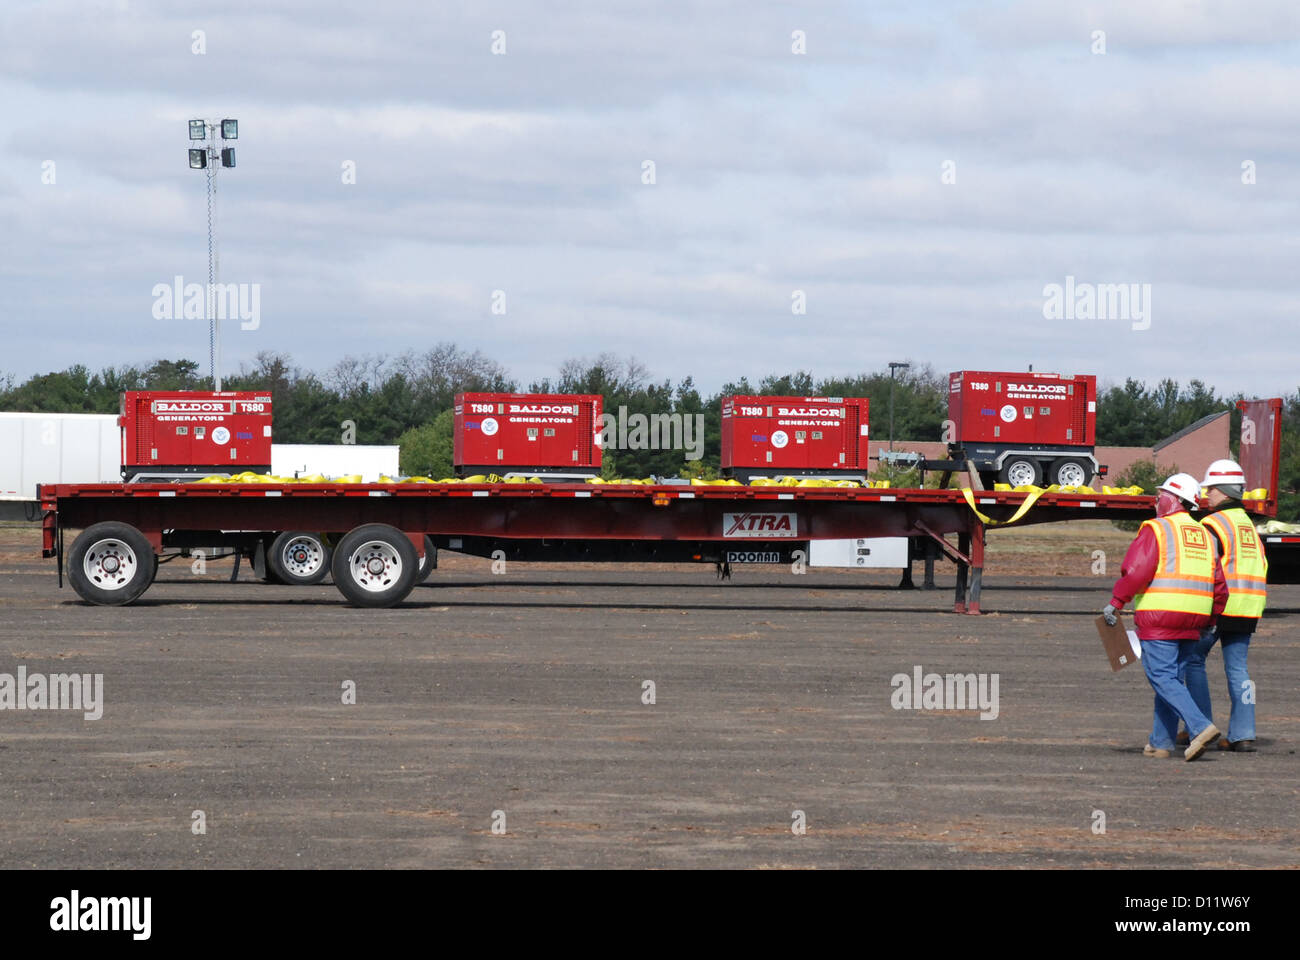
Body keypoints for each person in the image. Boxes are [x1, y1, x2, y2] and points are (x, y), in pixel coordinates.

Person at [1102, 473, 1227, 761]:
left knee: (1161, 677)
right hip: (1194, 619)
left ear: (1174, 500)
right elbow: (1219, 585)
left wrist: (1116, 601)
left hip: (1161, 617)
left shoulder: (1157, 529)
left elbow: (1137, 570)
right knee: (1171, 680)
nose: (1156, 501)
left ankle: (1200, 726)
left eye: (1160, 496)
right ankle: (1161, 742)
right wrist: (1211, 619)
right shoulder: (1206, 536)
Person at [1179, 459, 1266, 752]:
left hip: (1220, 606)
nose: (1207, 495)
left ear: (1224, 491)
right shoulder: (1249, 526)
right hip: (1249, 607)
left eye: (1211, 489)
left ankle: (1200, 726)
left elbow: (1206, 567)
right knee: (1238, 670)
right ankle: (1243, 734)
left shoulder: (1212, 524)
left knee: (1192, 660)